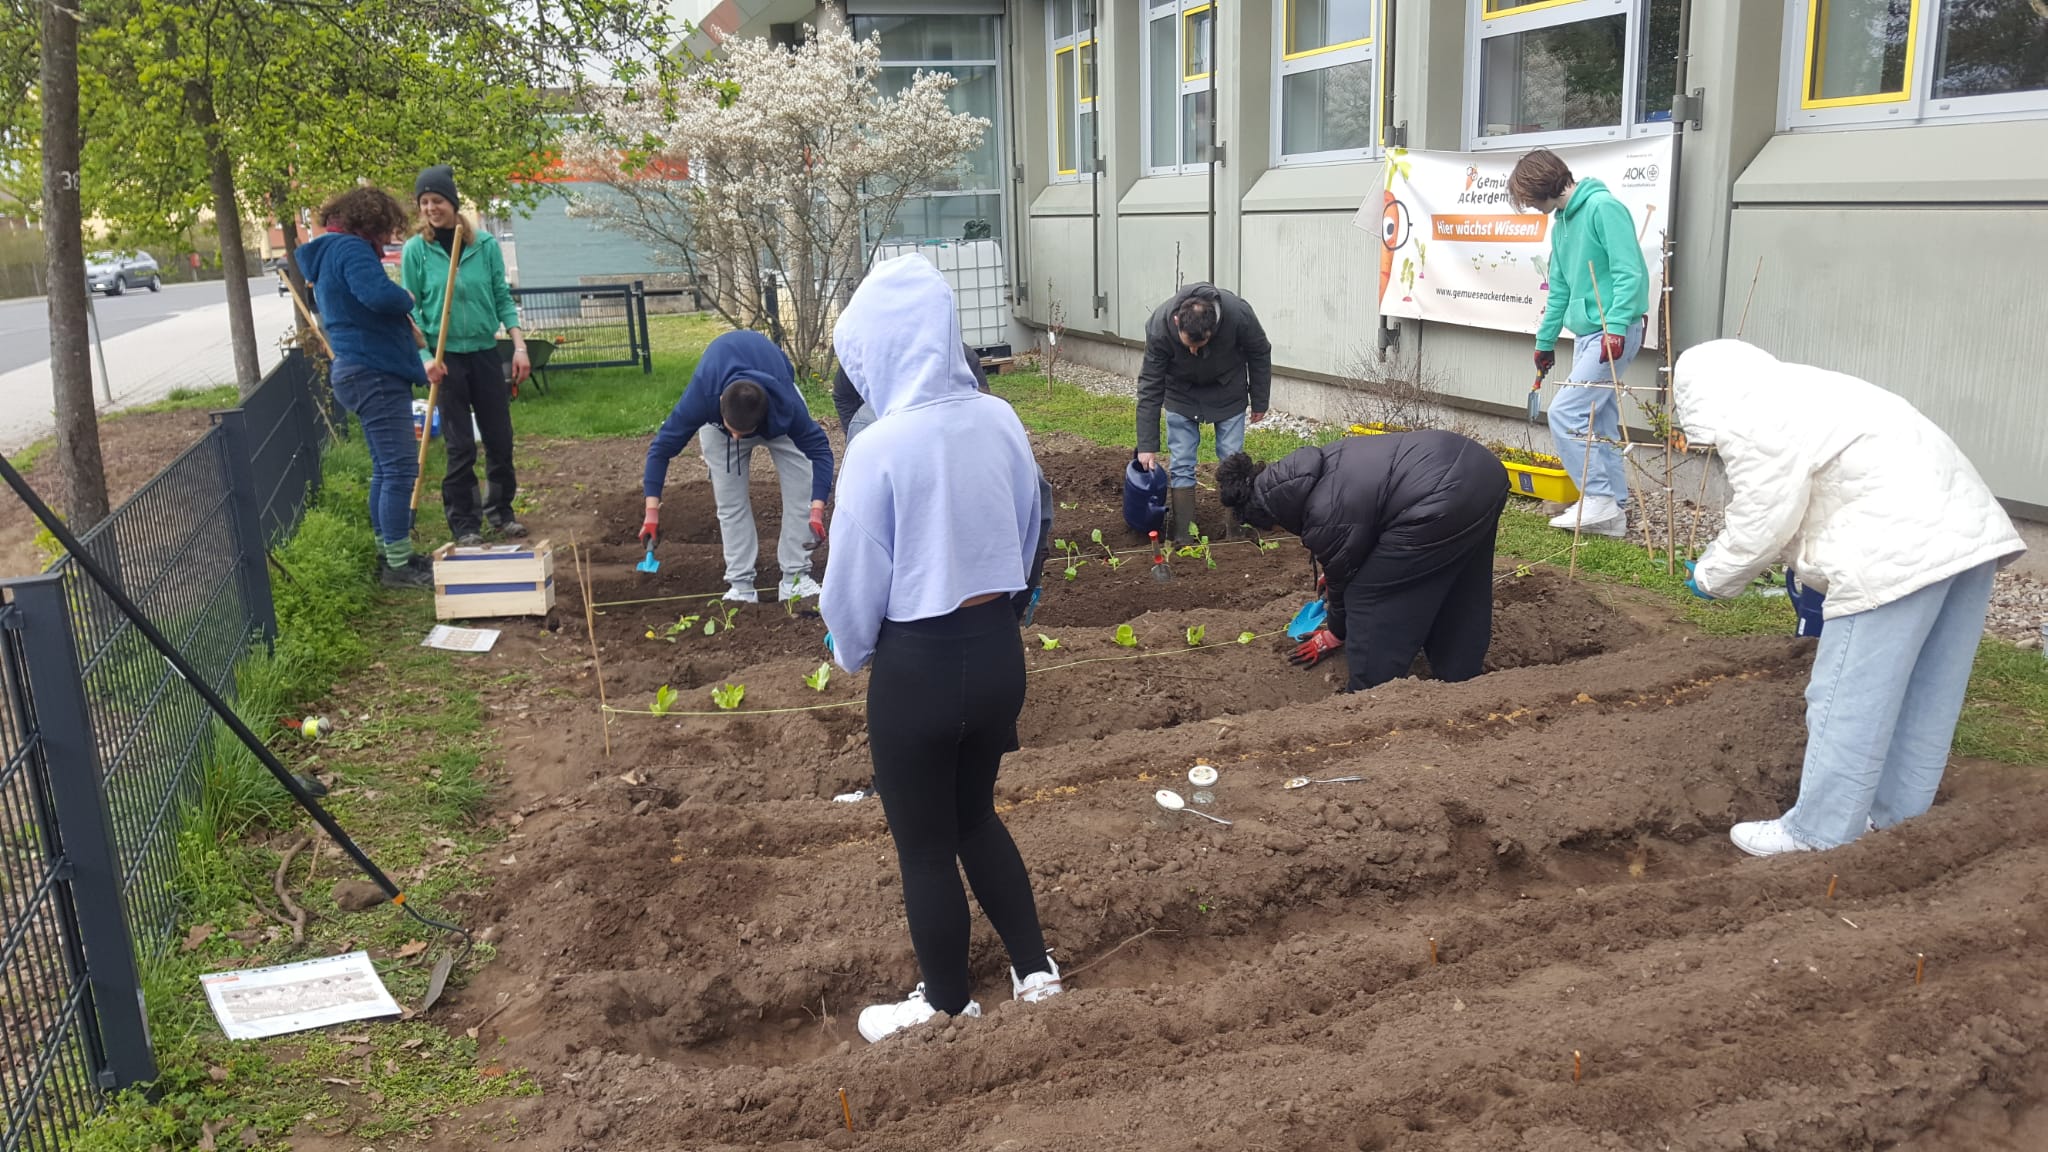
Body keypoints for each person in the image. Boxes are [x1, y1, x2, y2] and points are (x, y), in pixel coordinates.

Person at [820, 254, 1061, 1043]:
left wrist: (855, 654)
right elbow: (1030, 528)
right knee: (977, 818)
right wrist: (1009, 608)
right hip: (998, 657)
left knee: (923, 845)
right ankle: (1036, 972)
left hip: (917, 670)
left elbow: (853, 587)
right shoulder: (999, 419)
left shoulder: (882, 447)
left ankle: (948, 1003)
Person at [1673, 340, 2025, 858]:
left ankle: (1818, 831)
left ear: (1698, 395)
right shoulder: (1812, 389)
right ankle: (1897, 820)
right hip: (1967, 540)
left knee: (1846, 698)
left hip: (1894, 550)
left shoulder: (1754, 415)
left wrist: (1712, 576)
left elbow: (1763, 518)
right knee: (1928, 692)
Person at [1216, 430, 1509, 693]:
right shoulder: (1318, 465)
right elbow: (1374, 515)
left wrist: (1334, 632)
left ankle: (1369, 690)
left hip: (1443, 496)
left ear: (1273, 516)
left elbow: (1345, 586)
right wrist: (1336, 566)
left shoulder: (1322, 516)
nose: (1282, 534)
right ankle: (1461, 676)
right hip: (1480, 470)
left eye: (1276, 530)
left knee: (1370, 594)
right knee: (1460, 580)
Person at [1510, 148, 1650, 540]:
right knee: (1597, 419)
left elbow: (1629, 272)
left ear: (1541, 186)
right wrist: (1545, 342)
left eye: (1528, 199)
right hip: (1589, 333)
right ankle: (1613, 514)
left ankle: (1597, 496)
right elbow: (1559, 290)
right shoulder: (1561, 225)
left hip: (1613, 330)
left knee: (1566, 412)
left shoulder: (1603, 208)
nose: (1531, 208)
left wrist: (1617, 326)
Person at [297, 188, 433, 589]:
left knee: (384, 469)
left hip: (357, 370)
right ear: (369, 221)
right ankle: (398, 566)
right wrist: (405, 296)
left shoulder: (329, 252)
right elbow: (378, 296)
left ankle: (391, 553)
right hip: (373, 372)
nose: (390, 236)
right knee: (400, 469)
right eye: (387, 227)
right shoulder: (351, 250)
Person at [642, 330, 834, 602]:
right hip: (719, 406)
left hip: (777, 407)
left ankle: (795, 579)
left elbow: (821, 452)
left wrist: (817, 508)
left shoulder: (787, 406)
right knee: (730, 501)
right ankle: (741, 586)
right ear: (719, 405)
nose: (737, 438)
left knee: (802, 489)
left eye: (743, 434)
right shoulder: (703, 395)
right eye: (732, 431)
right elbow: (661, 449)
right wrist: (651, 512)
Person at [402, 165, 530, 546]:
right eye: (424, 202)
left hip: (484, 354)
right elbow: (408, 311)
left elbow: (502, 298)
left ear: (453, 203)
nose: (430, 208)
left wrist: (519, 345)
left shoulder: (484, 246)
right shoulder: (416, 251)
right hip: (445, 359)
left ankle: (501, 512)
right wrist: (426, 356)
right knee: (459, 445)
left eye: (437, 200)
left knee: (499, 438)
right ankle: (465, 523)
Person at [1134, 284, 1273, 542]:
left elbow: (1259, 351)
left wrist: (1260, 400)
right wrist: (1147, 444)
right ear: (1177, 322)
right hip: (1181, 395)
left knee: (1232, 461)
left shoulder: (1238, 314)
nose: (1194, 352)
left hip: (1228, 391)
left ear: (1213, 329)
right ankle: (1183, 534)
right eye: (1188, 345)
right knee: (1182, 462)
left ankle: (1235, 529)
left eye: (1200, 344)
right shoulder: (1159, 327)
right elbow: (1150, 385)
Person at [833, 340, 988, 444]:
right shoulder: (864, 353)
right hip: (886, 434)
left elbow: (983, 405)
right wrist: (856, 439)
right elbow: (843, 395)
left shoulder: (960, 355)